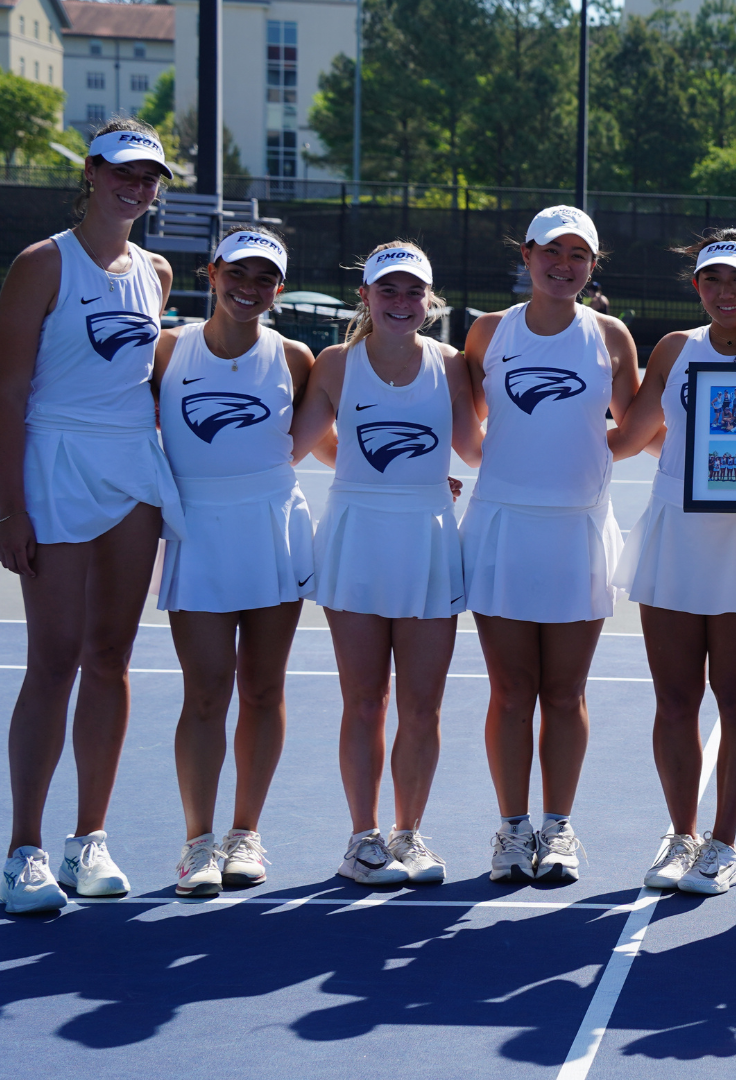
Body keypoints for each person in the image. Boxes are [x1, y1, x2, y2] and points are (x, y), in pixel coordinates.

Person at [0, 122, 180, 913]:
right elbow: (8, 393)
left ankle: (88, 842)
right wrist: (10, 507)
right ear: (92, 172)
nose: (138, 188)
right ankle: (24, 851)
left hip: (132, 471)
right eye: (126, 174)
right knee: (55, 658)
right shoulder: (42, 263)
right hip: (57, 465)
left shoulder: (159, 271)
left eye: (151, 178)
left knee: (111, 655)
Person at [614, 229, 736, 896]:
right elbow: (630, 435)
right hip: (674, 528)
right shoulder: (672, 349)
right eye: (713, 281)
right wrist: (531, 441)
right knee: (675, 699)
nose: (726, 292)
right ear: (697, 287)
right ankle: (682, 834)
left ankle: (724, 844)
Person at [460, 207, 642, 885]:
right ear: (527, 253)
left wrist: (589, 467)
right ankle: (512, 831)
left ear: (593, 265)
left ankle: (558, 828)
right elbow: (463, 421)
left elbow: (637, 426)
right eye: (552, 252)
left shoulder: (611, 336)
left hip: (579, 529)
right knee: (510, 691)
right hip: (503, 527)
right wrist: (490, 468)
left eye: (580, 256)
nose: (564, 266)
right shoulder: (487, 332)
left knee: (565, 693)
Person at [292, 242, 481, 886]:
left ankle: (409, 835)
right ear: (366, 297)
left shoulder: (454, 367)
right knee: (364, 702)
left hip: (429, 538)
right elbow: (298, 443)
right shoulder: (336, 364)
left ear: (430, 303)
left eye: (413, 292)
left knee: (422, 705)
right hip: (356, 537)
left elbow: (479, 451)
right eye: (388, 290)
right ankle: (362, 839)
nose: (401, 302)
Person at [153, 228, 320, 896]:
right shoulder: (167, 350)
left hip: (274, 526)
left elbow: (319, 437)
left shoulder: (297, 357)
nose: (249, 289)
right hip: (197, 532)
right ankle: (197, 844)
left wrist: (424, 479)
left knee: (262, 688)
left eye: (264, 279)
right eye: (238, 274)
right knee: (205, 691)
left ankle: (245, 835)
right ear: (213, 272)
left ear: (278, 289)